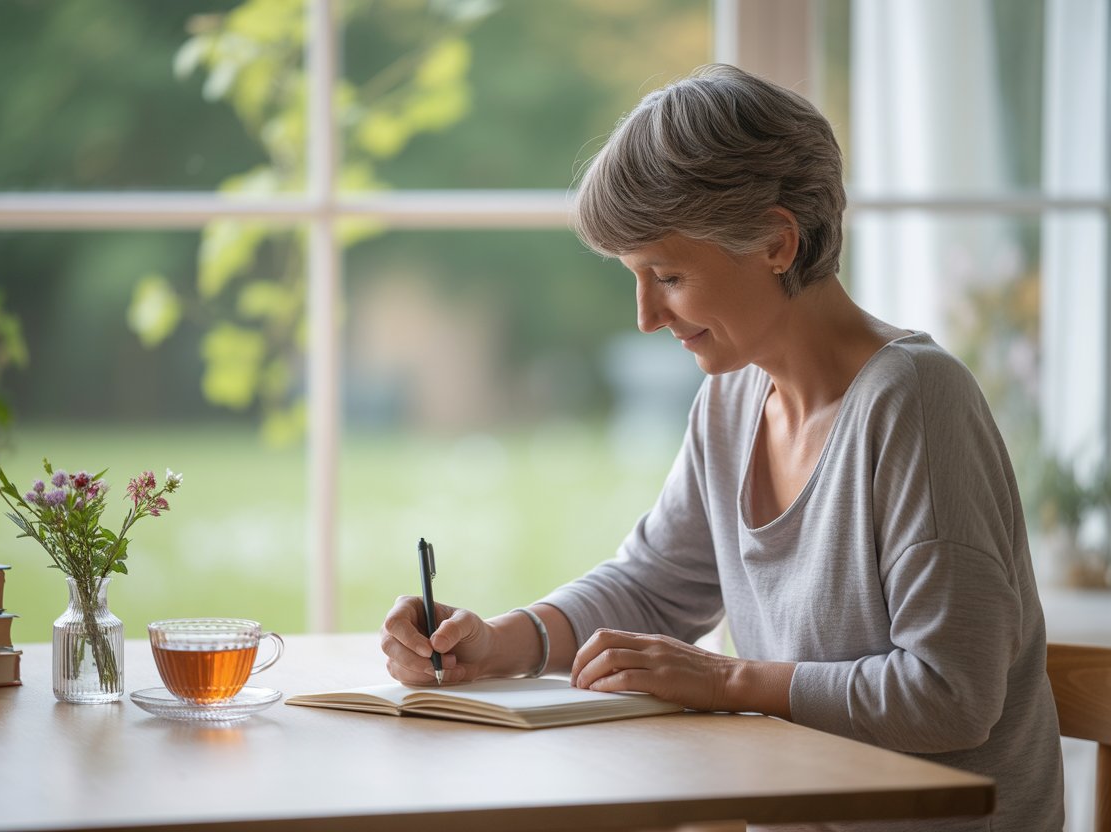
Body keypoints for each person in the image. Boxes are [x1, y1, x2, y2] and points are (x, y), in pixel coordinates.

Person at [379, 64, 1064, 832]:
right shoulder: (733, 398)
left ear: (776, 242)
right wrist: (501, 642)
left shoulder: (915, 404)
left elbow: (950, 696)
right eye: (635, 277)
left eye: (667, 275)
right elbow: (656, 586)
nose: (645, 316)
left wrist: (728, 678)